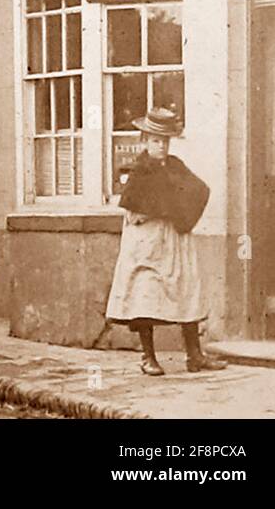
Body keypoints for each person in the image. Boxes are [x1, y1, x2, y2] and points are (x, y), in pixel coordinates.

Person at [104, 107, 227, 376]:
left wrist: (179, 212)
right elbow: (133, 209)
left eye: (165, 141)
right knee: (145, 294)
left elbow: (198, 189)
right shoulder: (139, 170)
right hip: (147, 242)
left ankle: (194, 355)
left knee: (187, 288)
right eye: (156, 141)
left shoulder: (175, 166)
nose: (161, 146)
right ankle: (148, 357)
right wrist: (159, 210)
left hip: (175, 238)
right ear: (145, 141)